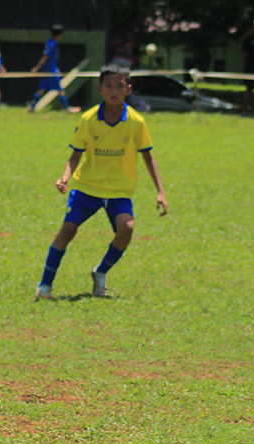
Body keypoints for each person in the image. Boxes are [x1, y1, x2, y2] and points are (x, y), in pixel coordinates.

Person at [35, 63, 168, 301]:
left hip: (119, 189)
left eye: (119, 86)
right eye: (108, 86)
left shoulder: (136, 122)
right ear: (100, 89)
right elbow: (75, 155)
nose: (114, 91)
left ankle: (101, 272)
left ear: (128, 89)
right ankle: (45, 286)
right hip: (87, 187)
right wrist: (65, 177)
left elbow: (148, 156)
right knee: (67, 231)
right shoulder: (88, 119)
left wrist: (161, 191)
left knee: (127, 229)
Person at [28, 24, 75, 113]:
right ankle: (67, 108)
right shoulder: (52, 44)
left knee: (42, 90)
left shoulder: (50, 42)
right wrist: (37, 67)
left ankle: (31, 107)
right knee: (60, 90)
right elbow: (46, 57)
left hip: (48, 70)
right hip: (51, 71)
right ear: (59, 34)